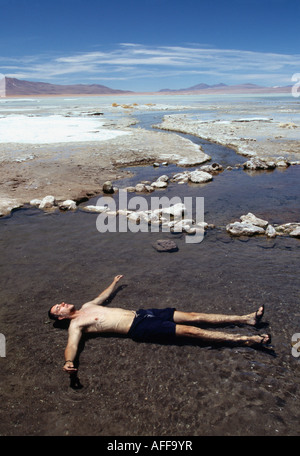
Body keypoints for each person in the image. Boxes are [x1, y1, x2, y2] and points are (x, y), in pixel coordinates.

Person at [48, 275, 271, 374]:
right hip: (138, 328)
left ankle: (246, 318)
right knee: (191, 332)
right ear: (61, 318)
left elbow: (102, 297)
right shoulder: (76, 326)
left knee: (193, 315)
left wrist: (114, 283)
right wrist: (69, 361)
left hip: (144, 313)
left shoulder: (88, 305)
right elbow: (72, 345)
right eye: (58, 308)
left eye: (59, 303)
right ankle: (247, 340)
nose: (62, 304)